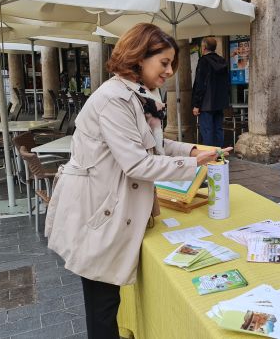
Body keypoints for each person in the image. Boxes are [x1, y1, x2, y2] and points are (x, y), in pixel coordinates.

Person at [45, 23, 230, 339]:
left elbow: (154, 144)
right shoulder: (114, 99)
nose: (170, 71)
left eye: (172, 63)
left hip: (111, 207)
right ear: (139, 57)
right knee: (103, 306)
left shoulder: (140, 95)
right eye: (164, 62)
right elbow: (137, 163)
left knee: (108, 301)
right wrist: (191, 163)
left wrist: (195, 150)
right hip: (98, 211)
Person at [192, 36, 230, 147]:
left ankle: (209, 158)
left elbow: (200, 84)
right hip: (220, 102)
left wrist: (196, 104)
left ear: (203, 47)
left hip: (206, 103)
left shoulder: (203, 61)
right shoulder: (222, 61)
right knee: (218, 129)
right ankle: (218, 156)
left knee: (207, 131)